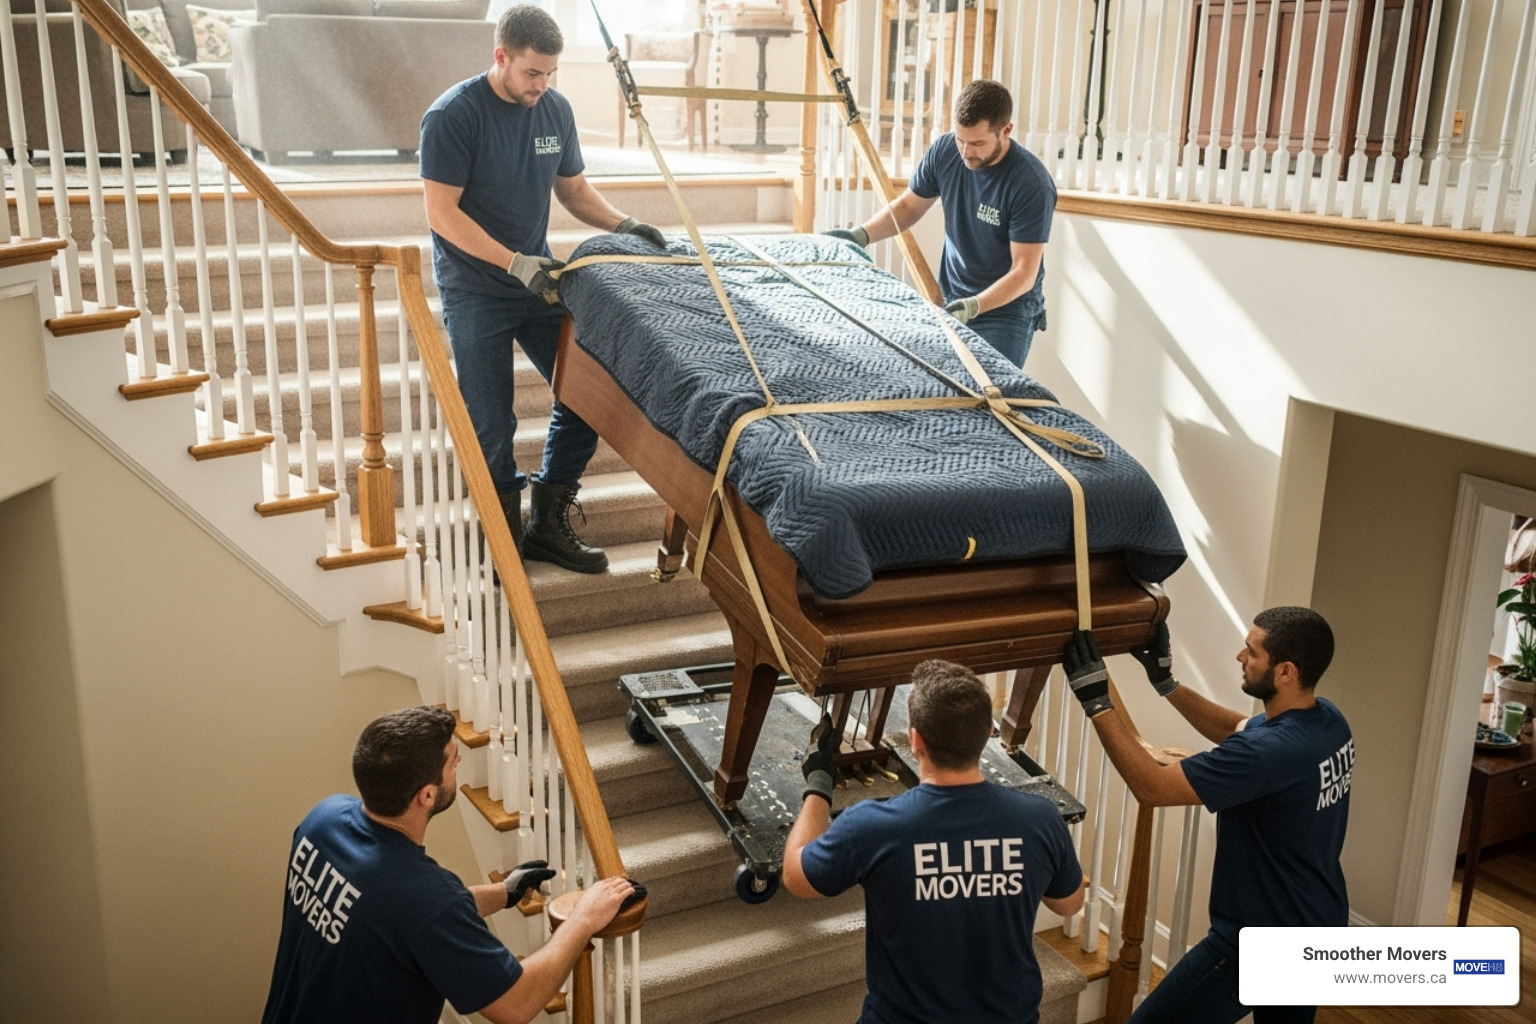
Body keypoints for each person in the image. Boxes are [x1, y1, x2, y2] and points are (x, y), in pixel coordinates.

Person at [421, 4, 666, 574]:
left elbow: (574, 191)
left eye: (550, 73)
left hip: (538, 283)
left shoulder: (553, 109)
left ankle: (545, 524)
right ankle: (503, 539)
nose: (542, 85)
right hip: (476, 289)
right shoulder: (453, 116)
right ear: (500, 56)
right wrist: (513, 264)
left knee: (587, 391)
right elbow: (442, 214)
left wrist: (625, 225)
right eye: (532, 73)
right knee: (491, 422)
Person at [1061, 607, 1351, 1024]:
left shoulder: (1268, 755)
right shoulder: (1326, 720)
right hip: (1318, 925)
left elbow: (1152, 788)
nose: (1240, 656)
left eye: (1252, 652)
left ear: (1285, 671)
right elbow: (1237, 727)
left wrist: (1096, 702)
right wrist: (1166, 684)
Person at [261, 705, 635, 1024]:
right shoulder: (424, 897)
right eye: (453, 762)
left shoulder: (321, 821)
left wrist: (504, 893)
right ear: (426, 795)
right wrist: (583, 919)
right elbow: (516, 1003)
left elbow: (388, 916)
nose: (459, 762)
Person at [783, 660, 1086, 1024]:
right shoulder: (1041, 818)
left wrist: (818, 784)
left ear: (915, 740)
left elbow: (796, 877)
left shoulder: (871, 827)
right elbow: (1069, 904)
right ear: (988, 731)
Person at [824, 79, 1056, 368]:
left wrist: (976, 305)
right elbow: (908, 206)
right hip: (953, 298)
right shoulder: (946, 150)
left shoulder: (1030, 183)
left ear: (1006, 130)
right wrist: (860, 235)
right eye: (961, 139)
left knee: (989, 396)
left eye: (977, 143)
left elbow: (1024, 273)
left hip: (1005, 312)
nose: (966, 152)